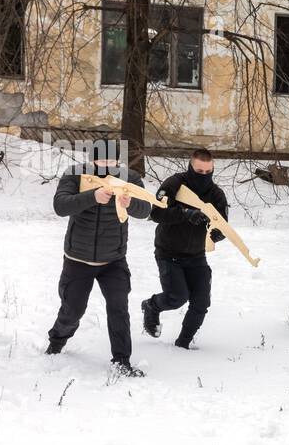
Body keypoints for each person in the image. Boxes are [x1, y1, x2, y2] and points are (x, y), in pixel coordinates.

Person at [45, 153, 152, 377]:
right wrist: (92, 196)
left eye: (111, 161)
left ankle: (122, 361)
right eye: (101, 161)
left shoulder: (129, 178)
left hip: (114, 260)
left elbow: (146, 209)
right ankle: (57, 340)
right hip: (78, 259)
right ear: (91, 160)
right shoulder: (75, 175)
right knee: (73, 309)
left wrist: (130, 203)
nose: (106, 166)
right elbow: (60, 206)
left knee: (118, 308)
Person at [141, 149, 227, 349]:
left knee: (201, 302)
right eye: (199, 171)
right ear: (191, 167)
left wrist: (219, 234)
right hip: (168, 253)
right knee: (176, 297)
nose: (204, 175)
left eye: (208, 172)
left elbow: (223, 224)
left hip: (196, 255)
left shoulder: (216, 194)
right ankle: (151, 306)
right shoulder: (174, 184)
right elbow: (155, 213)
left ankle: (183, 343)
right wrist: (184, 213)